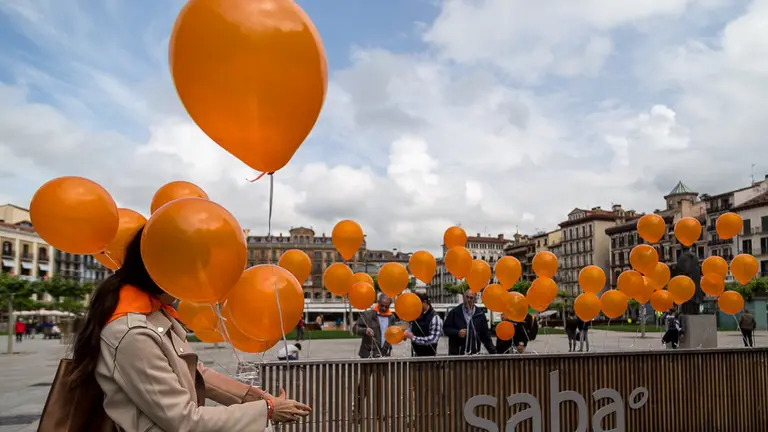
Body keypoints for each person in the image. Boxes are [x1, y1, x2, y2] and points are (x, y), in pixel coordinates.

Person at [69, 227, 311, 431]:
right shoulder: (133, 333)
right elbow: (183, 420)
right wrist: (266, 411)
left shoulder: (155, 315)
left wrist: (255, 397)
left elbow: (195, 372)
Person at [443, 291, 496, 355]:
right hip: (457, 353)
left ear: (475, 299)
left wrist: (493, 352)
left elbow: (485, 336)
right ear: (463, 297)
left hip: (474, 353)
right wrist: (457, 333)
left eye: (471, 298)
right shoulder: (454, 312)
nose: (468, 300)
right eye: (466, 297)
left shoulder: (480, 314)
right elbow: (446, 329)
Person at [353, 294, 396, 358]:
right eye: (382, 305)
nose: (384, 308)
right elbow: (355, 328)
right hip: (368, 355)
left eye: (386, 307)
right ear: (378, 302)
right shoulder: (367, 314)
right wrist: (365, 330)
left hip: (384, 354)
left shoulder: (391, 317)